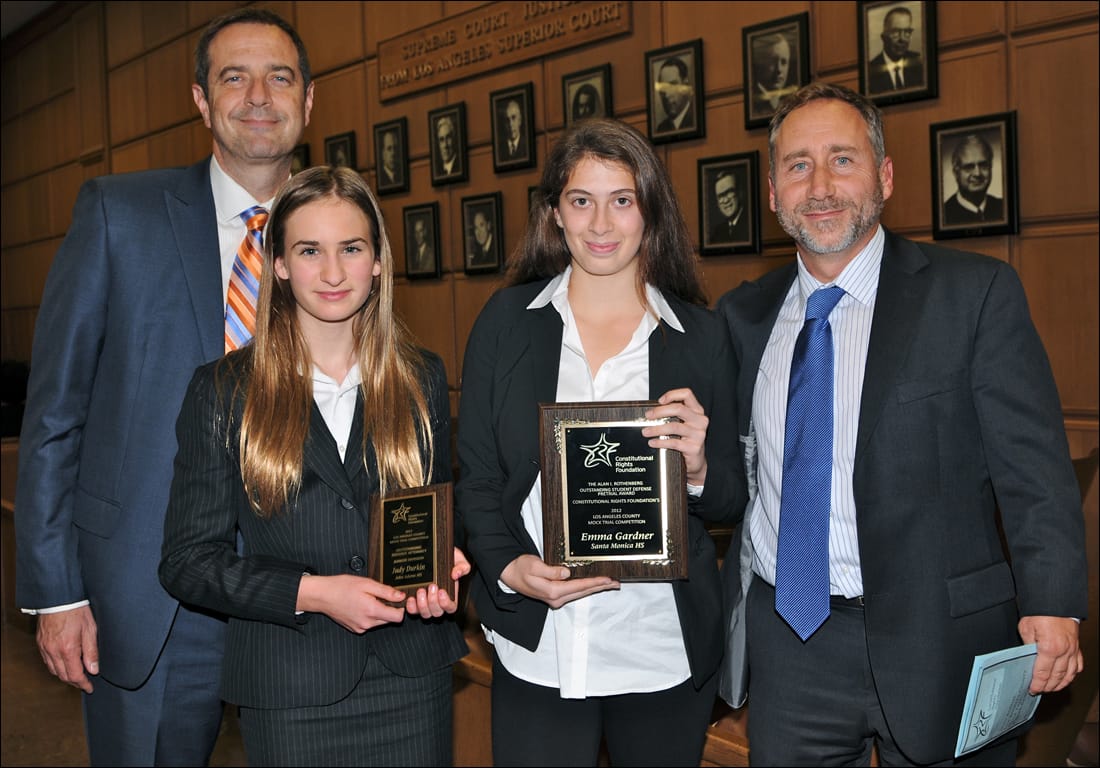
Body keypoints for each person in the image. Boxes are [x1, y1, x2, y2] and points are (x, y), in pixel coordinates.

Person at [716, 82, 1087, 766]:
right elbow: (734, 482)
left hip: (940, 640)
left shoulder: (973, 295)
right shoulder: (742, 318)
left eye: (842, 160)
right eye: (798, 165)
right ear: (772, 193)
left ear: (884, 177)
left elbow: (1032, 470)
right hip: (792, 647)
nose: (820, 185)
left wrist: (1054, 603)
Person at [14, 8, 315, 765]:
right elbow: (56, 413)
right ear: (201, 100)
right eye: (233, 77)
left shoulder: (340, 232)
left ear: (308, 100)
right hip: (151, 597)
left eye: (278, 77)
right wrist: (57, 591)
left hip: (305, 590)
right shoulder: (120, 214)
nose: (257, 96)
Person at [158, 165, 469, 765]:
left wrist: (442, 570)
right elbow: (187, 563)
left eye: (351, 248)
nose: (332, 272)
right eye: (309, 250)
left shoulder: (421, 376)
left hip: (411, 679)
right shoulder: (223, 391)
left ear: (377, 261)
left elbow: (425, 517)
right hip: (290, 690)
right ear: (278, 264)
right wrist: (316, 593)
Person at [456, 117, 741, 766]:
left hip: (659, 650)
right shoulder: (506, 323)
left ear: (651, 210)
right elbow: (475, 476)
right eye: (581, 201)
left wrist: (696, 467)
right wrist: (507, 568)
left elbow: (732, 497)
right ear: (555, 213)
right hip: (541, 647)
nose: (601, 224)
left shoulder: (700, 335)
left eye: (622, 200)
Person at [943, 133, 1005, 226]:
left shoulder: (1003, 207)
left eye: (983, 165)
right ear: (956, 172)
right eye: (969, 167)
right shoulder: (944, 214)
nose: (977, 173)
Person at [867, 6, 925, 93]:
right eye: (895, 32)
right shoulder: (871, 71)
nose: (902, 39)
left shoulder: (919, 64)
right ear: (883, 36)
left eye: (907, 32)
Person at [751, 32, 798, 115]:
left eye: (784, 62)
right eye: (773, 61)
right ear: (761, 63)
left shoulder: (790, 103)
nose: (779, 69)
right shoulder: (755, 103)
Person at [708, 169, 749, 245]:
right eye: (720, 196)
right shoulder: (718, 232)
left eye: (729, 192)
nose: (725, 200)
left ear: (739, 192)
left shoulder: (750, 225)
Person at [655, 55, 695, 133]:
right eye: (663, 88)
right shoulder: (661, 128)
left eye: (672, 85)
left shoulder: (695, 119)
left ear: (685, 85)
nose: (667, 95)